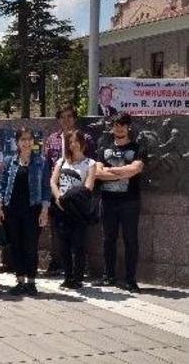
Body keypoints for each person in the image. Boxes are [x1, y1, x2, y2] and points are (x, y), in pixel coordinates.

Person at [0, 127, 51, 296]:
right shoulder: (9, 161)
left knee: (31, 246)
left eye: (29, 139)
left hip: (33, 211)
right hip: (11, 210)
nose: (26, 142)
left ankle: (31, 282)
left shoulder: (41, 161)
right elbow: (2, 184)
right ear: (17, 142)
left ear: (33, 141)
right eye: (23, 139)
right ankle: (20, 281)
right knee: (16, 246)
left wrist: (44, 210)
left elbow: (46, 189)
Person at [94, 112, 147, 293]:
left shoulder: (137, 147)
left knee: (131, 240)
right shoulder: (104, 148)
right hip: (107, 201)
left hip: (130, 202)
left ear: (128, 127)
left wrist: (111, 170)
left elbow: (136, 169)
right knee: (108, 240)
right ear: (112, 126)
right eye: (116, 125)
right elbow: (98, 173)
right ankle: (109, 277)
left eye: (123, 125)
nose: (119, 128)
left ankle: (130, 280)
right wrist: (123, 171)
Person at [43, 105, 95, 275]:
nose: (66, 120)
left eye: (70, 116)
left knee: (79, 235)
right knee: (58, 232)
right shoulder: (52, 139)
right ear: (58, 120)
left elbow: (91, 164)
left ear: (75, 118)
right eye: (62, 117)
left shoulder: (85, 138)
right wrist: (54, 193)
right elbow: (47, 164)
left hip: (79, 196)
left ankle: (79, 268)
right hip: (57, 191)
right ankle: (58, 263)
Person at [50, 130, 96, 290]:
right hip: (61, 209)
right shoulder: (61, 162)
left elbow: (88, 187)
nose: (73, 144)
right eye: (70, 142)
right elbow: (53, 182)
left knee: (78, 245)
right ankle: (67, 276)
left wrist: (67, 197)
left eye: (76, 141)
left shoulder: (90, 163)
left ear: (83, 143)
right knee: (63, 246)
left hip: (77, 210)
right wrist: (58, 198)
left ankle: (77, 278)